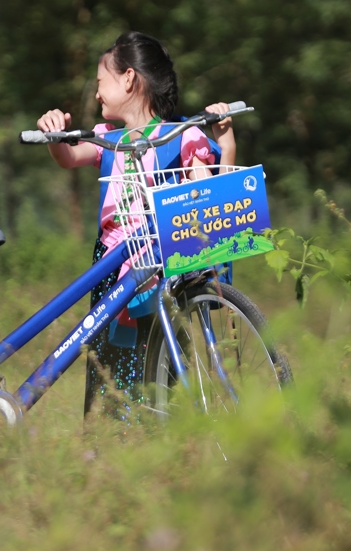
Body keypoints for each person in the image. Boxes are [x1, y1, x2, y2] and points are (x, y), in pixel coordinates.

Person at [35, 31, 236, 418]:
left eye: (100, 83)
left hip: (164, 263)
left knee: (162, 358)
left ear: (128, 79)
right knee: (110, 363)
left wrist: (224, 145)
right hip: (113, 263)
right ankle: (112, 437)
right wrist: (54, 136)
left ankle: (162, 430)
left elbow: (211, 198)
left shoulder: (183, 137)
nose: (96, 95)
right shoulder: (107, 138)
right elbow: (67, 157)